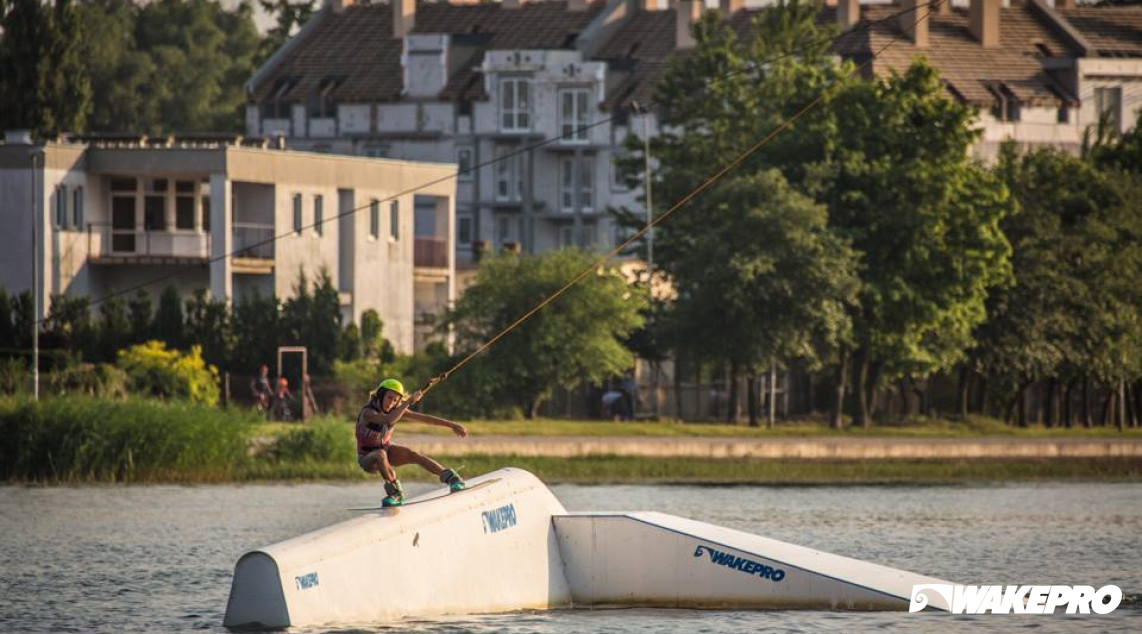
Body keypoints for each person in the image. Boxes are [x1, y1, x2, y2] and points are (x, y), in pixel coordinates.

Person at [356, 378, 468, 507]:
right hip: (367, 458)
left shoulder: (396, 410)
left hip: (387, 451)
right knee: (379, 454)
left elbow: (425, 419)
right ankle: (395, 493)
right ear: (381, 395)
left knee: (414, 455)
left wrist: (452, 425)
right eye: (389, 397)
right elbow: (388, 420)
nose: (391, 403)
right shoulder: (368, 412)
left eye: (395, 400)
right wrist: (408, 401)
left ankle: (451, 478)